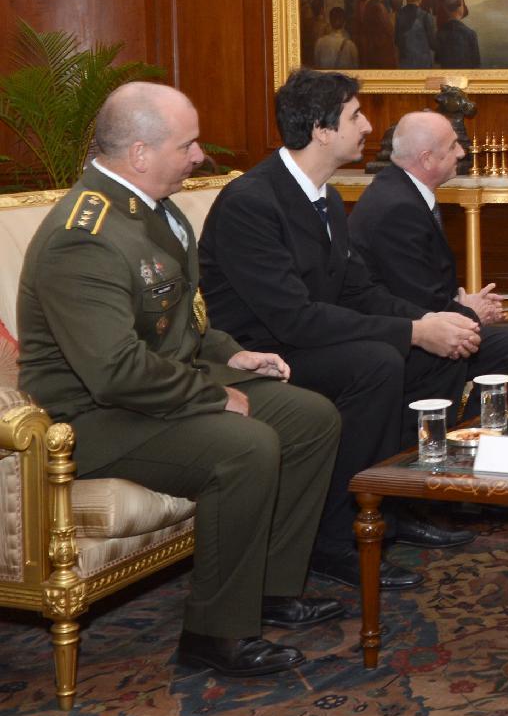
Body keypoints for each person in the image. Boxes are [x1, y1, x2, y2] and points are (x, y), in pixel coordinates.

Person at [16, 82, 344, 677]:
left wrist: (233, 355)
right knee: (245, 446)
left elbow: (182, 321)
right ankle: (215, 634)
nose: (199, 156)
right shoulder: (83, 237)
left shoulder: (154, 210)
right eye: (187, 145)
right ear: (140, 153)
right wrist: (212, 396)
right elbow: (114, 371)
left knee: (310, 417)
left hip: (153, 389)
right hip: (89, 418)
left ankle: (270, 588)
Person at [199, 69, 480, 593]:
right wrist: (410, 331)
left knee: (436, 353)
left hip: (308, 338)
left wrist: (428, 324)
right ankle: (336, 538)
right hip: (259, 355)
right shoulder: (252, 201)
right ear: (322, 130)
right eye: (355, 116)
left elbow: (358, 291)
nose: (368, 127)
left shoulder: (325, 197)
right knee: (378, 363)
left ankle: (393, 505)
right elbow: (293, 318)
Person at [348, 110, 508, 399]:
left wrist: (463, 305)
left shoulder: (400, 189)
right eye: (453, 146)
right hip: (400, 339)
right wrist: (471, 313)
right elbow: (417, 301)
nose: (461, 152)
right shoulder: (399, 209)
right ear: (427, 159)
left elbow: (417, 286)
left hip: (413, 318)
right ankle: (470, 425)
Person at [396, 0, 437, 68]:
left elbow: (397, 40)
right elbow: (432, 43)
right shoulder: (426, 16)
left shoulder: (398, 14)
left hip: (405, 61)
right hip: (423, 62)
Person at [360, 0, 398, 68]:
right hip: (381, 47)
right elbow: (389, 28)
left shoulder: (370, 4)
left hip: (374, 45)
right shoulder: (378, 7)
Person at [435, 0, 480, 68]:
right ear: (460, 8)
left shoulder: (440, 33)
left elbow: (437, 61)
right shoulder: (470, 34)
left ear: (446, 9)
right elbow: (476, 63)